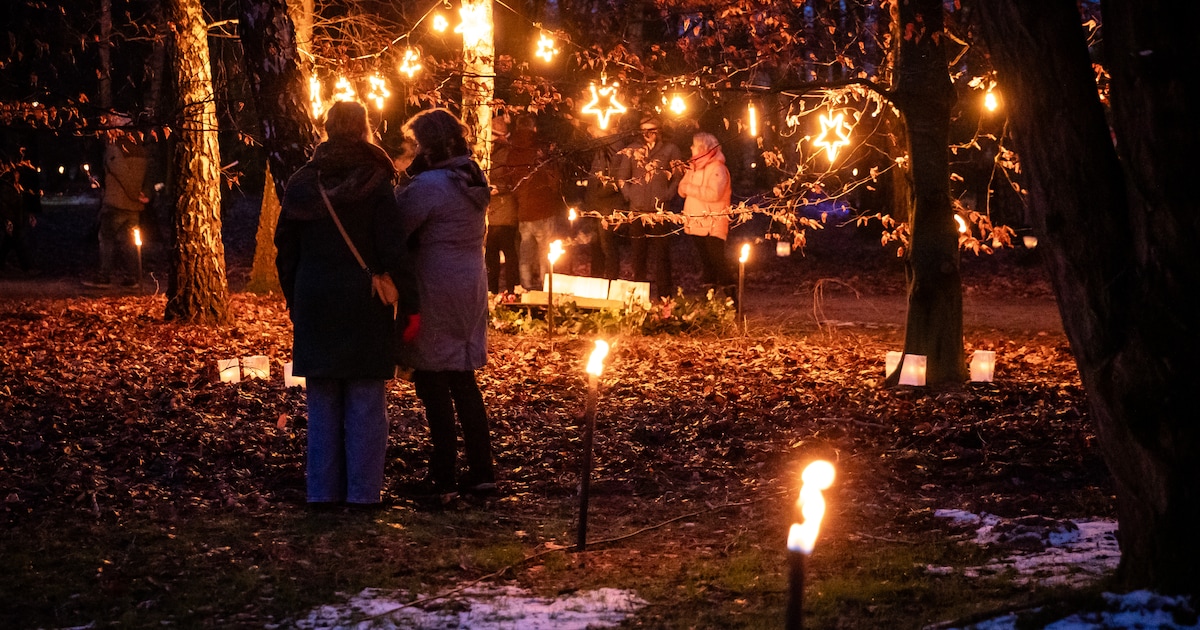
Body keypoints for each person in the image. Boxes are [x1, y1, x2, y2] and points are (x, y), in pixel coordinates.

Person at [275, 100, 418, 508]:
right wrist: (409, 301)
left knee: (321, 402)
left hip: (315, 298)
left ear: (326, 128)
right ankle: (363, 493)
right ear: (364, 129)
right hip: (363, 301)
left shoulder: (302, 182)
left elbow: (285, 248)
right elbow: (393, 248)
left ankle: (321, 492)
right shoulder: (377, 179)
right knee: (366, 402)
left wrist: (296, 296)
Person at [394, 108, 497, 496]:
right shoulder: (471, 176)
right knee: (462, 378)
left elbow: (399, 224)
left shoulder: (431, 185)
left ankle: (443, 474)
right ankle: (482, 469)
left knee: (434, 379)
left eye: (417, 143)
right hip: (469, 282)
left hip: (437, 284)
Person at [618, 115, 683, 298]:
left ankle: (664, 296)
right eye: (644, 129)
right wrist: (631, 195)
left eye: (652, 129)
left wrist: (667, 195)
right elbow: (622, 177)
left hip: (660, 211)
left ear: (658, 131)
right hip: (637, 211)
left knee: (662, 255)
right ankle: (639, 296)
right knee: (638, 255)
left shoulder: (670, 150)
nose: (647, 134)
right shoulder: (632, 150)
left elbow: (678, 176)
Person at [84, 117, 150, 288]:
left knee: (106, 239)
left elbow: (123, 175)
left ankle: (104, 276)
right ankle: (132, 277)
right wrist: (145, 195)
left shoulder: (114, 149)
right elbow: (149, 176)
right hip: (134, 207)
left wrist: (135, 194)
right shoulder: (140, 149)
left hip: (116, 203)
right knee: (128, 241)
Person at [507, 115, 564, 291]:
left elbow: (511, 181)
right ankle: (545, 288)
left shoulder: (512, 151)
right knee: (545, 253)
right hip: (544, 209)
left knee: (525, 253)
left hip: (524, 211)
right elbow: (554, 181)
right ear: (534, 129)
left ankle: (525, 287)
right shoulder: (540, 151)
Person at [678, 132, 735, 295]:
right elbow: (681, 189)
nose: (691, 148)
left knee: (718, 261)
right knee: (706, 262)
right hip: (696, 222)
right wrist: (687, 188)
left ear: (703, 148)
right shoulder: (693, 167)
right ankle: (709, 298)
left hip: (713, 223)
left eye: (694, 145)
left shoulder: (718, 168)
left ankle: (732, 299)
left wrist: (690, 189)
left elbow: (714, 194)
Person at [582, 122, 627, 280]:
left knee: (608, 247)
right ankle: (597, 278)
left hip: (607, 207)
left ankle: (610, 280)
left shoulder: (614, 149)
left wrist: (599, 193)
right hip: (596, 206)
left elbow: (616, 181)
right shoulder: (601, 151)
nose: (593, 136)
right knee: (597, 246)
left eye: (595, 132)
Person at [485, 115, 519, 294]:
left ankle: (513, 290)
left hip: (504, 211)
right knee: (491, 256)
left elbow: (514, 180)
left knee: (508, 253)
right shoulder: (488, 153)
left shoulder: (506, 153)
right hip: (492, 212)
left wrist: (500, 188)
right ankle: (492, 291)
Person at [0, 167, 36, 275]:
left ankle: (1, 265)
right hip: (13, 221)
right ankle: (27, 268)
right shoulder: (6, 188)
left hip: (19, 220)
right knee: (20, 244)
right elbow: (4, 206)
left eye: (18, 173)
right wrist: (8, 220)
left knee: (7, 245)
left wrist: (30, 216)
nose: (17, 175)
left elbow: (23, 204)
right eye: (15, 173)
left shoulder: (18, 187)